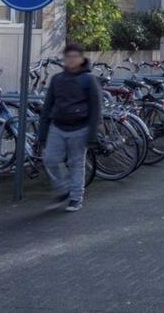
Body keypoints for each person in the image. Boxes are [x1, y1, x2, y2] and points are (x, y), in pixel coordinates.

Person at [38, 42, 101, 212]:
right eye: (68, 57)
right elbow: (47, 106)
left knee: (76, 163)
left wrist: (92, 133)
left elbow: (96, 108)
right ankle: (62, 189)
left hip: (80, 127)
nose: (71, 60)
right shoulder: (57, 79)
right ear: (64, 59)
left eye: (75, 57)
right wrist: (42, 132)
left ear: (81, 59)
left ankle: (75, 197)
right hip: (57, 126)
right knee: (50, 159)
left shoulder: (89, 80)